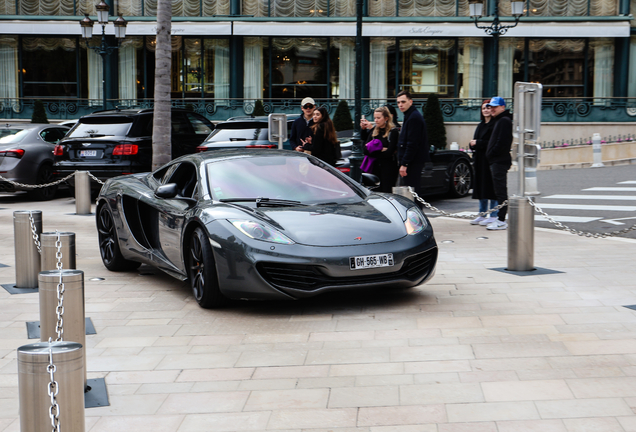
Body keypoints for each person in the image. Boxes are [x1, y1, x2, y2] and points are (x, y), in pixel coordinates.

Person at [484, 96, 513, 230]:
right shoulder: (500, 120)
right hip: (497, 160)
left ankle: (501, 219)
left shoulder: (504, 121)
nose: (492, 109)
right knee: (498, 190)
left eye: (495, 106)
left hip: (499, 160)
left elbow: (502, 142)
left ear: (502, 107)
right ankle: (499, 218)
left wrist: (492, 153)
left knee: (500, 191)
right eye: (491, 106)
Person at [469, 101, 498, 226]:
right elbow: (476, 141)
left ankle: (494, 214)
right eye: (483, 108)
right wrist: (472, 144)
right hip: (480, 160)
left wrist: (478, 143)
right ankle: (482, 213)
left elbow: (491, 142)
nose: (485, 110)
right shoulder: (480, 125)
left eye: (487, 107)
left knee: (492, 188)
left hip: (489, 160)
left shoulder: (494, 125)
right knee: (481, 187)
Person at [360, 106, 399, 193]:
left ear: (386, 118)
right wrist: (381, 149)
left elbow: (389, 153)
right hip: (375, 168)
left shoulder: (393, 132)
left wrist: (373, 150)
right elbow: (365, 150)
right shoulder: (374, 131)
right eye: (375, 118)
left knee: (387, 192)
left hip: (389, 168)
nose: (376, 120)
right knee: (375, 193)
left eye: (378, 118)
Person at [396, 90, 429, 189]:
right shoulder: (410, 115)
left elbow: (412, 143)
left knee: (412, 191)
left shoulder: (413, 117)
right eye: (398, 102)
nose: (400, 105)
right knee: (411, 190)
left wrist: (405, 164)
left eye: (403, 102)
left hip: (413, 162)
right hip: (412, 161)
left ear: (410, 102)